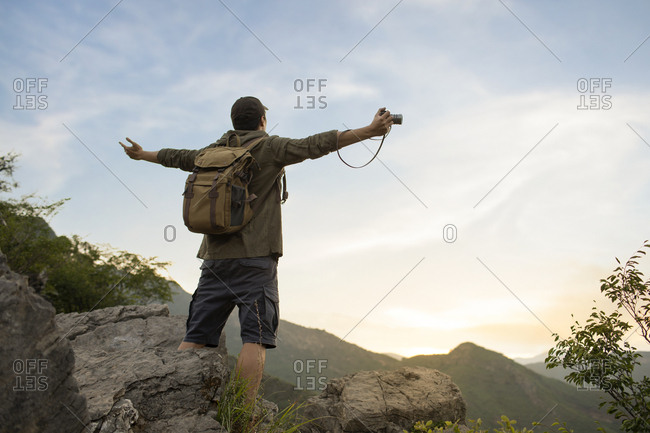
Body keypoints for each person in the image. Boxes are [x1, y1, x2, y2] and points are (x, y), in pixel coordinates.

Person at [119, 96, 393, 406]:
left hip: (214, 260)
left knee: (195, 336)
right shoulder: (270, 147)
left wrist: (142, 155)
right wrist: (370, 131)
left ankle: (166, 405)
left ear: (234, 122)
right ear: (262, 121)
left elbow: (178, 156)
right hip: (256, 258)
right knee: (256, 337)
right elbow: (316, 144)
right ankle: (243, 416)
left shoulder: (210, 153)